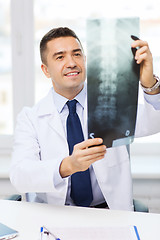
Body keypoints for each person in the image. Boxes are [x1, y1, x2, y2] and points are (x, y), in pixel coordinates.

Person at [10, 27, 160, 210]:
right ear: (46, 70)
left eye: (77, 54)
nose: (71, 63)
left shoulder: (111, 105)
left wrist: (149, 83)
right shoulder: (31, 118)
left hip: (109, 212)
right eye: (60, 57)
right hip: (54, 214)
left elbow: (156, 120)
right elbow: (20, 175)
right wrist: (68, 166)